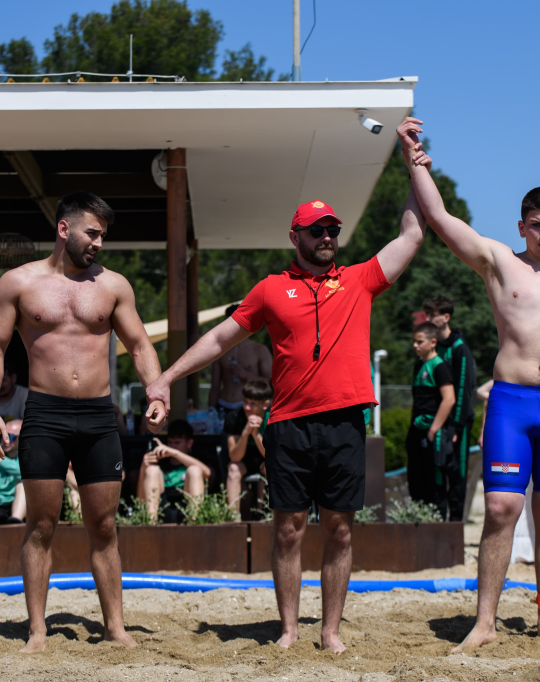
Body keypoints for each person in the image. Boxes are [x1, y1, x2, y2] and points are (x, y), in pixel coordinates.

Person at [145, 135, 428, 654]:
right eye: (317, 230)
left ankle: (331, 631)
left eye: (333, 229)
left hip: (344, 421)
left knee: (340, 530)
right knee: (289, 530)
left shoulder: (360, 279)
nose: (327, 236)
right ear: (294, 236)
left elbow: (411, 234)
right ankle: (290, 630)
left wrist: (414, 168)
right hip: (289, 425)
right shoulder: (271, 288)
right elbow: (218, 339)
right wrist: (165, 377)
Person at [402, 120, 540, 653]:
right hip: (511, 403)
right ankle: (485, 621)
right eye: (536, 224)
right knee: (502, 509)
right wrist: (414, 159)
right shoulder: (500, 264)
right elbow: (439, 218)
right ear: (521, 226)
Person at [0, 191, 167, 654]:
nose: (99, 243)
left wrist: (156, 389)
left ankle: (115, 627)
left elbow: (140, 345)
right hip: (44, 415)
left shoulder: (114, 286)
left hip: (99, 416)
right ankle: (38, 630)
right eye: (93, 232)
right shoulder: (18, 283)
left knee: (104, 526)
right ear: (64, 230)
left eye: (104, 235)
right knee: (42, 524)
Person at [423, 295, 477, 521]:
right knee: (437, 473)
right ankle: (438, 525)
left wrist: (456, 427)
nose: (428, 319)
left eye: (432, 315)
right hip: (437, 421)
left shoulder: (458, 347)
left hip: (457, 424)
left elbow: (464, 387)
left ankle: (455, 527)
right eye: (427, 315)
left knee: (457, 473)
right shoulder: (432, 347)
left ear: (446, 317)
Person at [406, 322, 456, 516]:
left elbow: (449, 399)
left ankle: (437, 521)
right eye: (414, 342)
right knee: (416, 479)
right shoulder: (419, 364)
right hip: (416, 430)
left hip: (432, 433)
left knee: (434, 482)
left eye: (420, 342)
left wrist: (433, 429)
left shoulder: (439, 366)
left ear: (433, 342)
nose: (415, 346)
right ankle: (418, 519)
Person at [137, 419, 211, 523]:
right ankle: (151, 525)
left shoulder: (195, 462)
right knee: (152, 470)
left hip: (186, 507)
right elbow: (140, 500)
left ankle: (195, 524)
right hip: (162, 508)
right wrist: (143, 468)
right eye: (170, 443)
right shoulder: (160, 464)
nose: (172, 447)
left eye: (177, 443)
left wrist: (175, 453)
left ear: (189, 443)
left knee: (194, 470)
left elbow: (207, 473)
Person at [208, 305, 273, 413]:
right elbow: (215, 385)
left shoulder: (259, 349)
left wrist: (246, 375)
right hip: (223, 404)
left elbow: (270, 383)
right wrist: (211, 409)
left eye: (231, 323)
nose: (227, 327)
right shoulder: (220, 350)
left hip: (248, 407)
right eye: (226, 322)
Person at [224, 380, 273, 511]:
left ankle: (272, 517)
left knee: (274, 467)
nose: (247, 407)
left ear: (265, 404)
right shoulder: (234, 417)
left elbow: (272, 456)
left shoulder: (273, 418)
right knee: (233, 468)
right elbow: (234, 457)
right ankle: (233, 520)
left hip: (265, 462)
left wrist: (256, 434)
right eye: (245, 402)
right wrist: (245, 433)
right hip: (243, 463)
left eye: (253, 404)